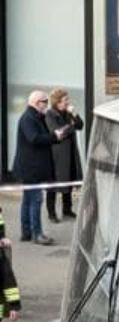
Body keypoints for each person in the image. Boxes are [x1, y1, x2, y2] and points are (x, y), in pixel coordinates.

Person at [12, 90, 66, 245]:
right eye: (44, 101)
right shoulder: (28, 118)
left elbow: (40, 137)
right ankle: (36, 233)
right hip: (31, 168)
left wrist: (55, 137)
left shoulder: (35, 117)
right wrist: (54, 136)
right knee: (35, 199)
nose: (46, 105)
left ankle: (26, 232)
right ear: (36, 103)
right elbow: (34, 138)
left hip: (30, 166)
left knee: (28, 199)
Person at [43, 88, 84, 222]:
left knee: (69, 179)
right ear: (58, 102)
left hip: (70, 151)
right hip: (57, 154)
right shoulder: (50, 115)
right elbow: (58, 132)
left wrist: (74, 113)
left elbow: (80, 125)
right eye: (65, 99)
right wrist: (70, 127)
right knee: (54, 184)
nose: (68, 102)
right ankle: (52, 213)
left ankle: (67, 210)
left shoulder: (67, 113)